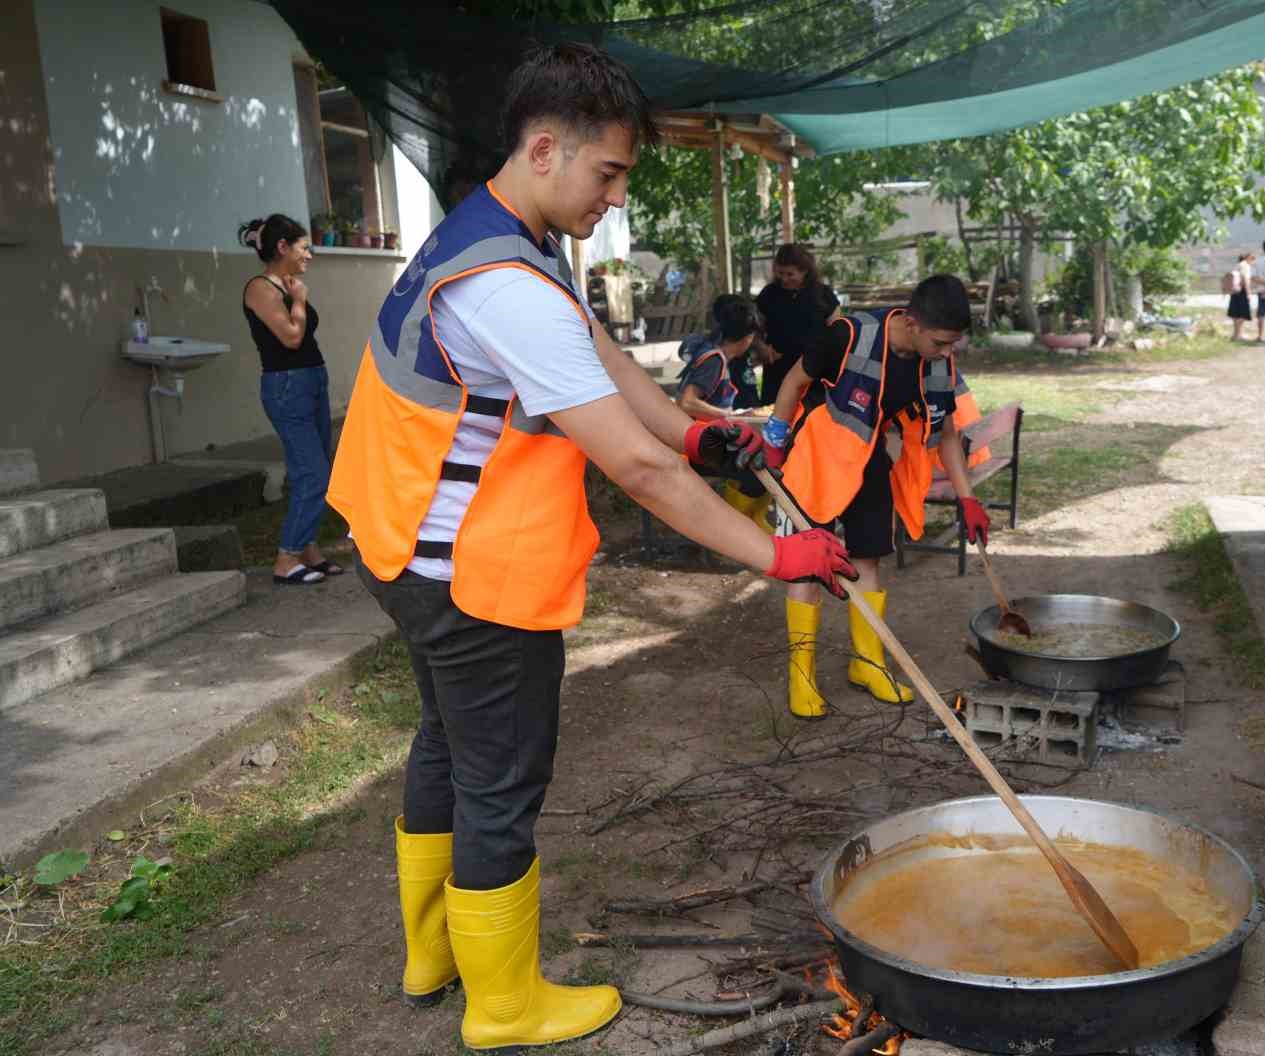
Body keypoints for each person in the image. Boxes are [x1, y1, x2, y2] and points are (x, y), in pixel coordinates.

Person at [326, 44, 855, 1054]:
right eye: (606, 174)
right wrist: (774, 557)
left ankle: (432, 953)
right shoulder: (508, 285)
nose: (613, 200)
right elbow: (636, 472)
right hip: (473, 579)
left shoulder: (489, 242)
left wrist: (696, 432)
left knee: (446, 747)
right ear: (541, 148)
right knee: (500, 781)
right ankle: (505, 1005)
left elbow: (604, 367)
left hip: (402, 554)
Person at [756, 275, 984, 719]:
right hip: (818, 456)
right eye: (940, 342)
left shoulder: (936, 364)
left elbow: (947, 434)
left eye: (954, 344)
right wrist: (775, 437)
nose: (947, 353)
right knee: (806, 562)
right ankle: (801, 674)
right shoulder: (848, 336)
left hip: (867, 457)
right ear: (913, 324)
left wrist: (967, 498)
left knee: (868, 558)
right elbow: (793, 381)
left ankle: (868, 663)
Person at [238, 214, 341, 586]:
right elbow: (291, 338)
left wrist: (295, 294)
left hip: (312, 380)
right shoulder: (260, 288)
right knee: (314, 472)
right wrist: (298, 300)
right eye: (303, 247)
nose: (309, 255)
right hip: (287, 387)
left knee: (312, 469)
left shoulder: (286, 284)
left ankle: (307, 550)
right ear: (282, 247)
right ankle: (286, 557)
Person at [675, 296, 773, 532]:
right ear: (747, 338)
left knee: (765, 461)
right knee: (759, 470)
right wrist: (729, 417)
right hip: (695, 447)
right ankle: (732, 528)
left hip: (705, 441)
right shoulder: (714, 361)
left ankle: (752, 521)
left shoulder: (714, 355)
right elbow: (687, 402)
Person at [756, 243, 839, 405]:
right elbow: (753, 329)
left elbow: (837, 331)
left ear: (805, 271)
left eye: (790, 274)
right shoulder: (769, 294)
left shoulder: (823, 295)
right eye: (780, 273)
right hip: (778, 369)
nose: (784, 279)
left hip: (814, 370)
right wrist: (761, 347)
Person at [1226, 252, 1253, 341]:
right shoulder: (1245, 265)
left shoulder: (1238, 265)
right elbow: (1245, 279)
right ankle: (1238, 335)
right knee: (1242, 314)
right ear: (1247, 258)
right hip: (1242, 291)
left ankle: (1236, 334)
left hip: (1235, 291)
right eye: (1252, 259)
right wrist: (1248, 293)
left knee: (1235, 314)